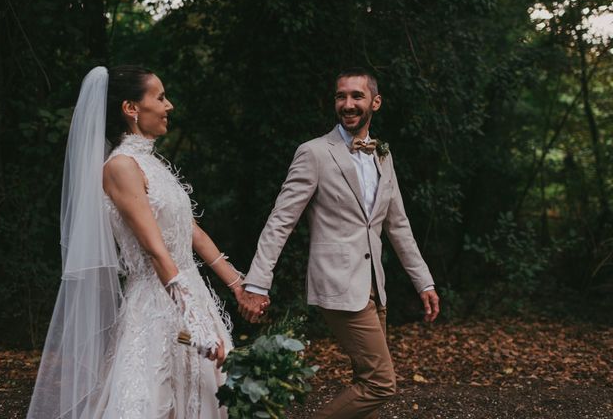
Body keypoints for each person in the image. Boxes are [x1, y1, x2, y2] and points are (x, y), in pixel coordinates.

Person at [27, 65, 247, 419]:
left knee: (207, 397)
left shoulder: (153, 164)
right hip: (155, 307)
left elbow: (191, 231)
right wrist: (195, 320)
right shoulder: (120, 168)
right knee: (152, 403)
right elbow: (154, 248)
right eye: (160, 97)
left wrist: (237, 284)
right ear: (131, 108)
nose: (169, 105)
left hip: (190, 293)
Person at [237, 68, 440, 418]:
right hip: (337, 282)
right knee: (380, 382)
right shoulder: (314, 152)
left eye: (356, 96)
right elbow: (281, 221)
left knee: (366, 381)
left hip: (374, 284)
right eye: (341, 96)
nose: (347, 104)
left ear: (374, 102)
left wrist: (424, 281)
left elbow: (398, 225)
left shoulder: (382, 155)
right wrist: (256, 283)